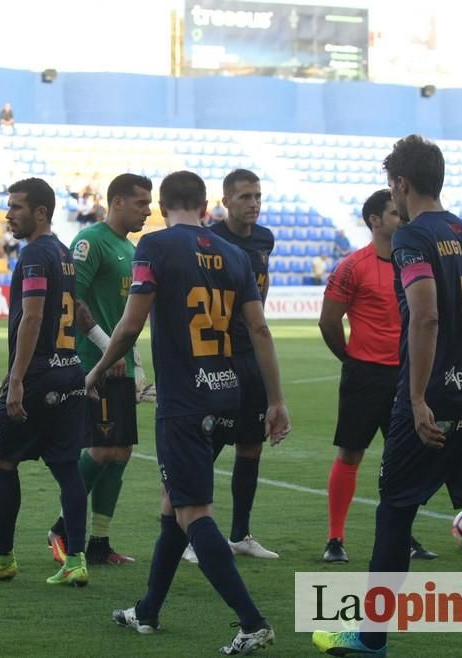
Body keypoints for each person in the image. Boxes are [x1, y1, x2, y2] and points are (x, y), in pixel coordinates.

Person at [313, 135, 462, 657]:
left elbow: (424, 315)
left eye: (391, 186)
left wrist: (420, 397)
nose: (391, 199)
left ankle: (371, 638)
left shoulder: (412, 239)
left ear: (400, 184)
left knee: (394, 514)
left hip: (431, 403)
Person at [87, 170, 290, 655]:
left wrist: (96, 372)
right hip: (229, 394)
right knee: (172, 504)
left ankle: (251, 621)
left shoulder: (155, 247)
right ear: (205, 206)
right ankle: (148, 611)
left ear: (161, 206)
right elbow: (259, 332)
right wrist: (276, 400)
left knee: (193, 511)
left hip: (183, 402)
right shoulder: (237, 255)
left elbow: (131, 325)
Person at [0, 177, 91, 586]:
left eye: (16, 206)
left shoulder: (34, 254)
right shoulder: (64, 255)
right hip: (70, 372)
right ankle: (77, 560)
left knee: (0, 462)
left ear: (41, 212)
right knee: (67, 468)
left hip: (39, 379)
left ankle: (2, 557)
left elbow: (32, 316)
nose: (9, 213)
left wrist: (17, 378)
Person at [318, 189, 437, 564]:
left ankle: (403, 535)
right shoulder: (354, 266)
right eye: (393, 213)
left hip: (407, 374)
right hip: (366, 373)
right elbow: (328, 320)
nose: (401, 217)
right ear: (374, 221)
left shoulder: (414, 261)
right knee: (351, 453)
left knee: (406, 458)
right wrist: (352, 358)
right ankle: (335, 539)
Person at [47, 173, 153, 567]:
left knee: (121, 453)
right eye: (141, 202)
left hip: (121, 365)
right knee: (102, 448)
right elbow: (71, 301)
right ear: (118, 201)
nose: (147, 210)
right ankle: (60, 527)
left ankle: (99, 543)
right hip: (94, 365)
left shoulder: (129, 248)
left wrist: (137, 364)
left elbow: (127, 317)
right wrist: (106, 348)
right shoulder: (90, 242)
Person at [193, 168, 278, 561]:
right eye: (245, 197)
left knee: (250, 444)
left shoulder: (265, 240)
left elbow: (261, 288)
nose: (253, 204)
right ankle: (192, 534)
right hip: (218, 353)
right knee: (205, 445)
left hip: (251, 356)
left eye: (257, 196)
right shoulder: (208, 239)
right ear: (225, 201)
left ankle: (241, 534)